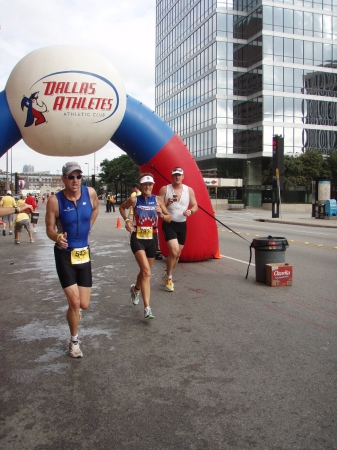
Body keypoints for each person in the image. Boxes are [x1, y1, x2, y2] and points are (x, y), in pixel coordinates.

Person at [45, 162, 99, 358]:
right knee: (74, 302)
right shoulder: (55, 200)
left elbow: (95, 209)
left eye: (78, 176)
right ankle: (74, 342)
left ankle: (75, 312)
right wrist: (57, 237)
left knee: (84, 304)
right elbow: (50, 229)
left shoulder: (90, 193)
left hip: (84, 253)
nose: (75, 180)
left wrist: (89, 226)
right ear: (63, 179)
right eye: (71, 177)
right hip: (65, 254)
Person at [119, 173, 170, 319]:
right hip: (138, 238)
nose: (148, 187)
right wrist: (127, 220)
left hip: (152, 239)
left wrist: (161, 215)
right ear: (141, 186)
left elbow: (169, 218)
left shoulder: (158, 200)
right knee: (147, 271)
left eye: (150, 184)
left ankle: (135, 290)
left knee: (144, 272)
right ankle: (147, 308)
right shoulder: (135, 199)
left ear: (153, 186)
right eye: (145, 184)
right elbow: (122, 208)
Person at [158, 167, 198, 292]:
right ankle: (169, 278)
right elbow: (158, 206)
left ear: (183, 176)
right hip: (169, 223)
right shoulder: (165, 189)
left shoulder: (189, 190)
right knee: (174, 252)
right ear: (172, 176)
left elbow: (195, 205)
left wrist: (190, 211)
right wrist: (167, 204)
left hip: (182, 224)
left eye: (179, 175)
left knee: (177, 255)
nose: (177, 177)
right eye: (175, 175)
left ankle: (166, 274)